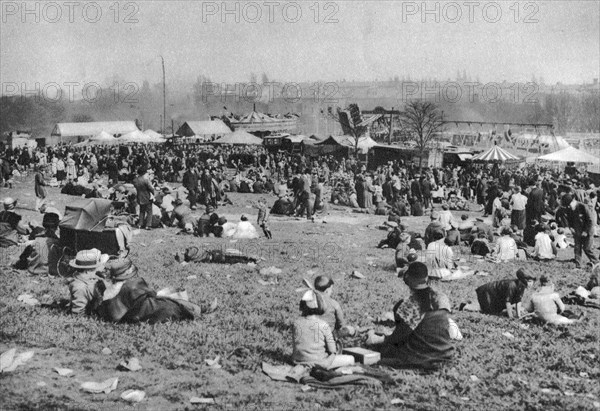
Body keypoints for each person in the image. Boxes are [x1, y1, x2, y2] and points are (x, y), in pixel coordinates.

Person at [366, 262, 457, 370]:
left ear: (408, 278)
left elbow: (397, 339)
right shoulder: (442, 297)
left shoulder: (409, 304)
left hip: (421, 356)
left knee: (383, 351)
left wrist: (377, 339)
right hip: (445, 352)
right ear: (426, 278)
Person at [91, 257, 216, 324]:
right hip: (147, 311)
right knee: (174, 304)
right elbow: (151, 294)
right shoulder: (132, 285)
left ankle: (200, 310)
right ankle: (202, 311)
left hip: (131, 315)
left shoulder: (109, 289)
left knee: (171, 302)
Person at [292, 290, 355, 369]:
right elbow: (332, 350)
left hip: (298, 361)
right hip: (320, 362)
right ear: (321, 306)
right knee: (351, 359)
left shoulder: (296, 323)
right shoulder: (323, 325)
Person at [460, 268, 536, 318]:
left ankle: (472, 303)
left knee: (496, 310)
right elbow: (508, 302)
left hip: (496, 294)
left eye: (532, 281)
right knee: (486, 310)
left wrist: (518, 316)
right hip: (488, 292)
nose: (531, 284)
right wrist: (511, 317)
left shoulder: (521, 286)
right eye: (529, 281)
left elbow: (518, 300)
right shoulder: (512, 285)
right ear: (523, 280)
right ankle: (465, 306)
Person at [560, 194, 599, 269]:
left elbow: (590, 220)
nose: (569, 206)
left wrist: (585, 231)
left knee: (587, 248)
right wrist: (570, 227)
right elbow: (569, 219)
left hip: (587, 231)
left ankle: (596, 262)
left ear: (573, 201)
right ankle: (578, 266)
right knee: (577, 248)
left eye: (570, 204)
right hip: (577, 231)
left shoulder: (583, 206)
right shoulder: (569, 208)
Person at [68, 249, 109, 315]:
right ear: (87, 271)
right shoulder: (79, 287)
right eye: (95, 269)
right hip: (90, 311)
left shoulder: (90, 278)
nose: (97, 271)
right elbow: (78, 308)